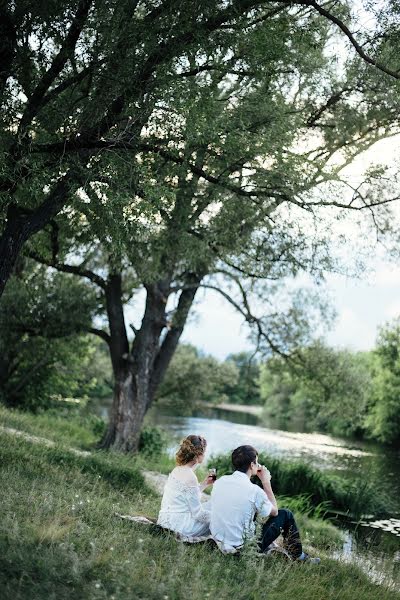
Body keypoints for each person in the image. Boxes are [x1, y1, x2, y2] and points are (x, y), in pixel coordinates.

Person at [210, 444, 320, 562]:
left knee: (250, 510)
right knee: (285, 514)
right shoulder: (254, 490)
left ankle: (296, 553)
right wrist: (266, 482)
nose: (258, 465)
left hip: (219, 540)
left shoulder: (220, 482)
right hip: (243, 548)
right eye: (256, 462)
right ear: (252, 465)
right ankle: (298, 556)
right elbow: (274, 512)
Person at [157, 434, 214, 539]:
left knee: (211, 506)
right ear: (198, 455)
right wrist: (219, 518)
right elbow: (198, 514)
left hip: (164, 520)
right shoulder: (190, 477)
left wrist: (205, 483)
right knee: (214, 508)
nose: (205, 455)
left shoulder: (177, 469)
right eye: (204, 452)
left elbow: (187, 494)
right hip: (180, 527)